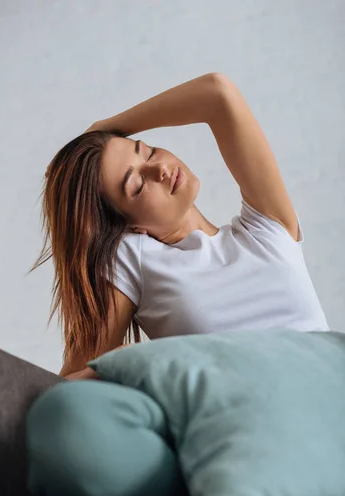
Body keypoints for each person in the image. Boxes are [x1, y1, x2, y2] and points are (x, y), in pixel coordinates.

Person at [29, 73, 329, 381]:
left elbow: (217, 92)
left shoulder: (268, 228)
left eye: (146, 151)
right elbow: (63, 387)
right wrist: (130, 363)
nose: (159, 169)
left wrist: (105, 127)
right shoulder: (135, 258)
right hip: (265, 420)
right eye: (137, 184)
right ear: (131, 227)